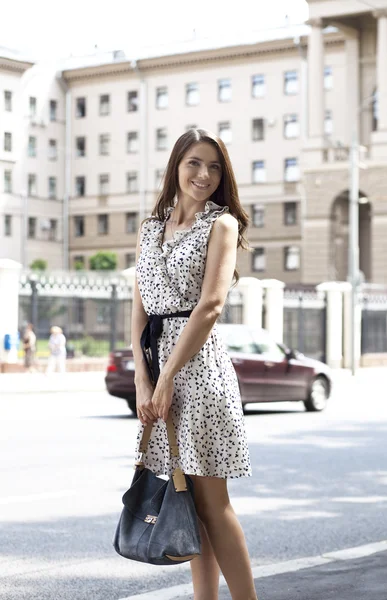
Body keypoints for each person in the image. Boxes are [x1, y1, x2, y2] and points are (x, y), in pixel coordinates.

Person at [131, 128, 257, 600]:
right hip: (157, 366)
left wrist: (166, 378)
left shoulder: (220, 224)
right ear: (176, 167)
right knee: (186, 499)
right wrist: (143, 380)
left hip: (200, 371)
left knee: (212, 501)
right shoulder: (149, 228)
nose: (204, 174)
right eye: (194, 164)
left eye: (214, 166)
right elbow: (139, 308)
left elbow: (210, 306)